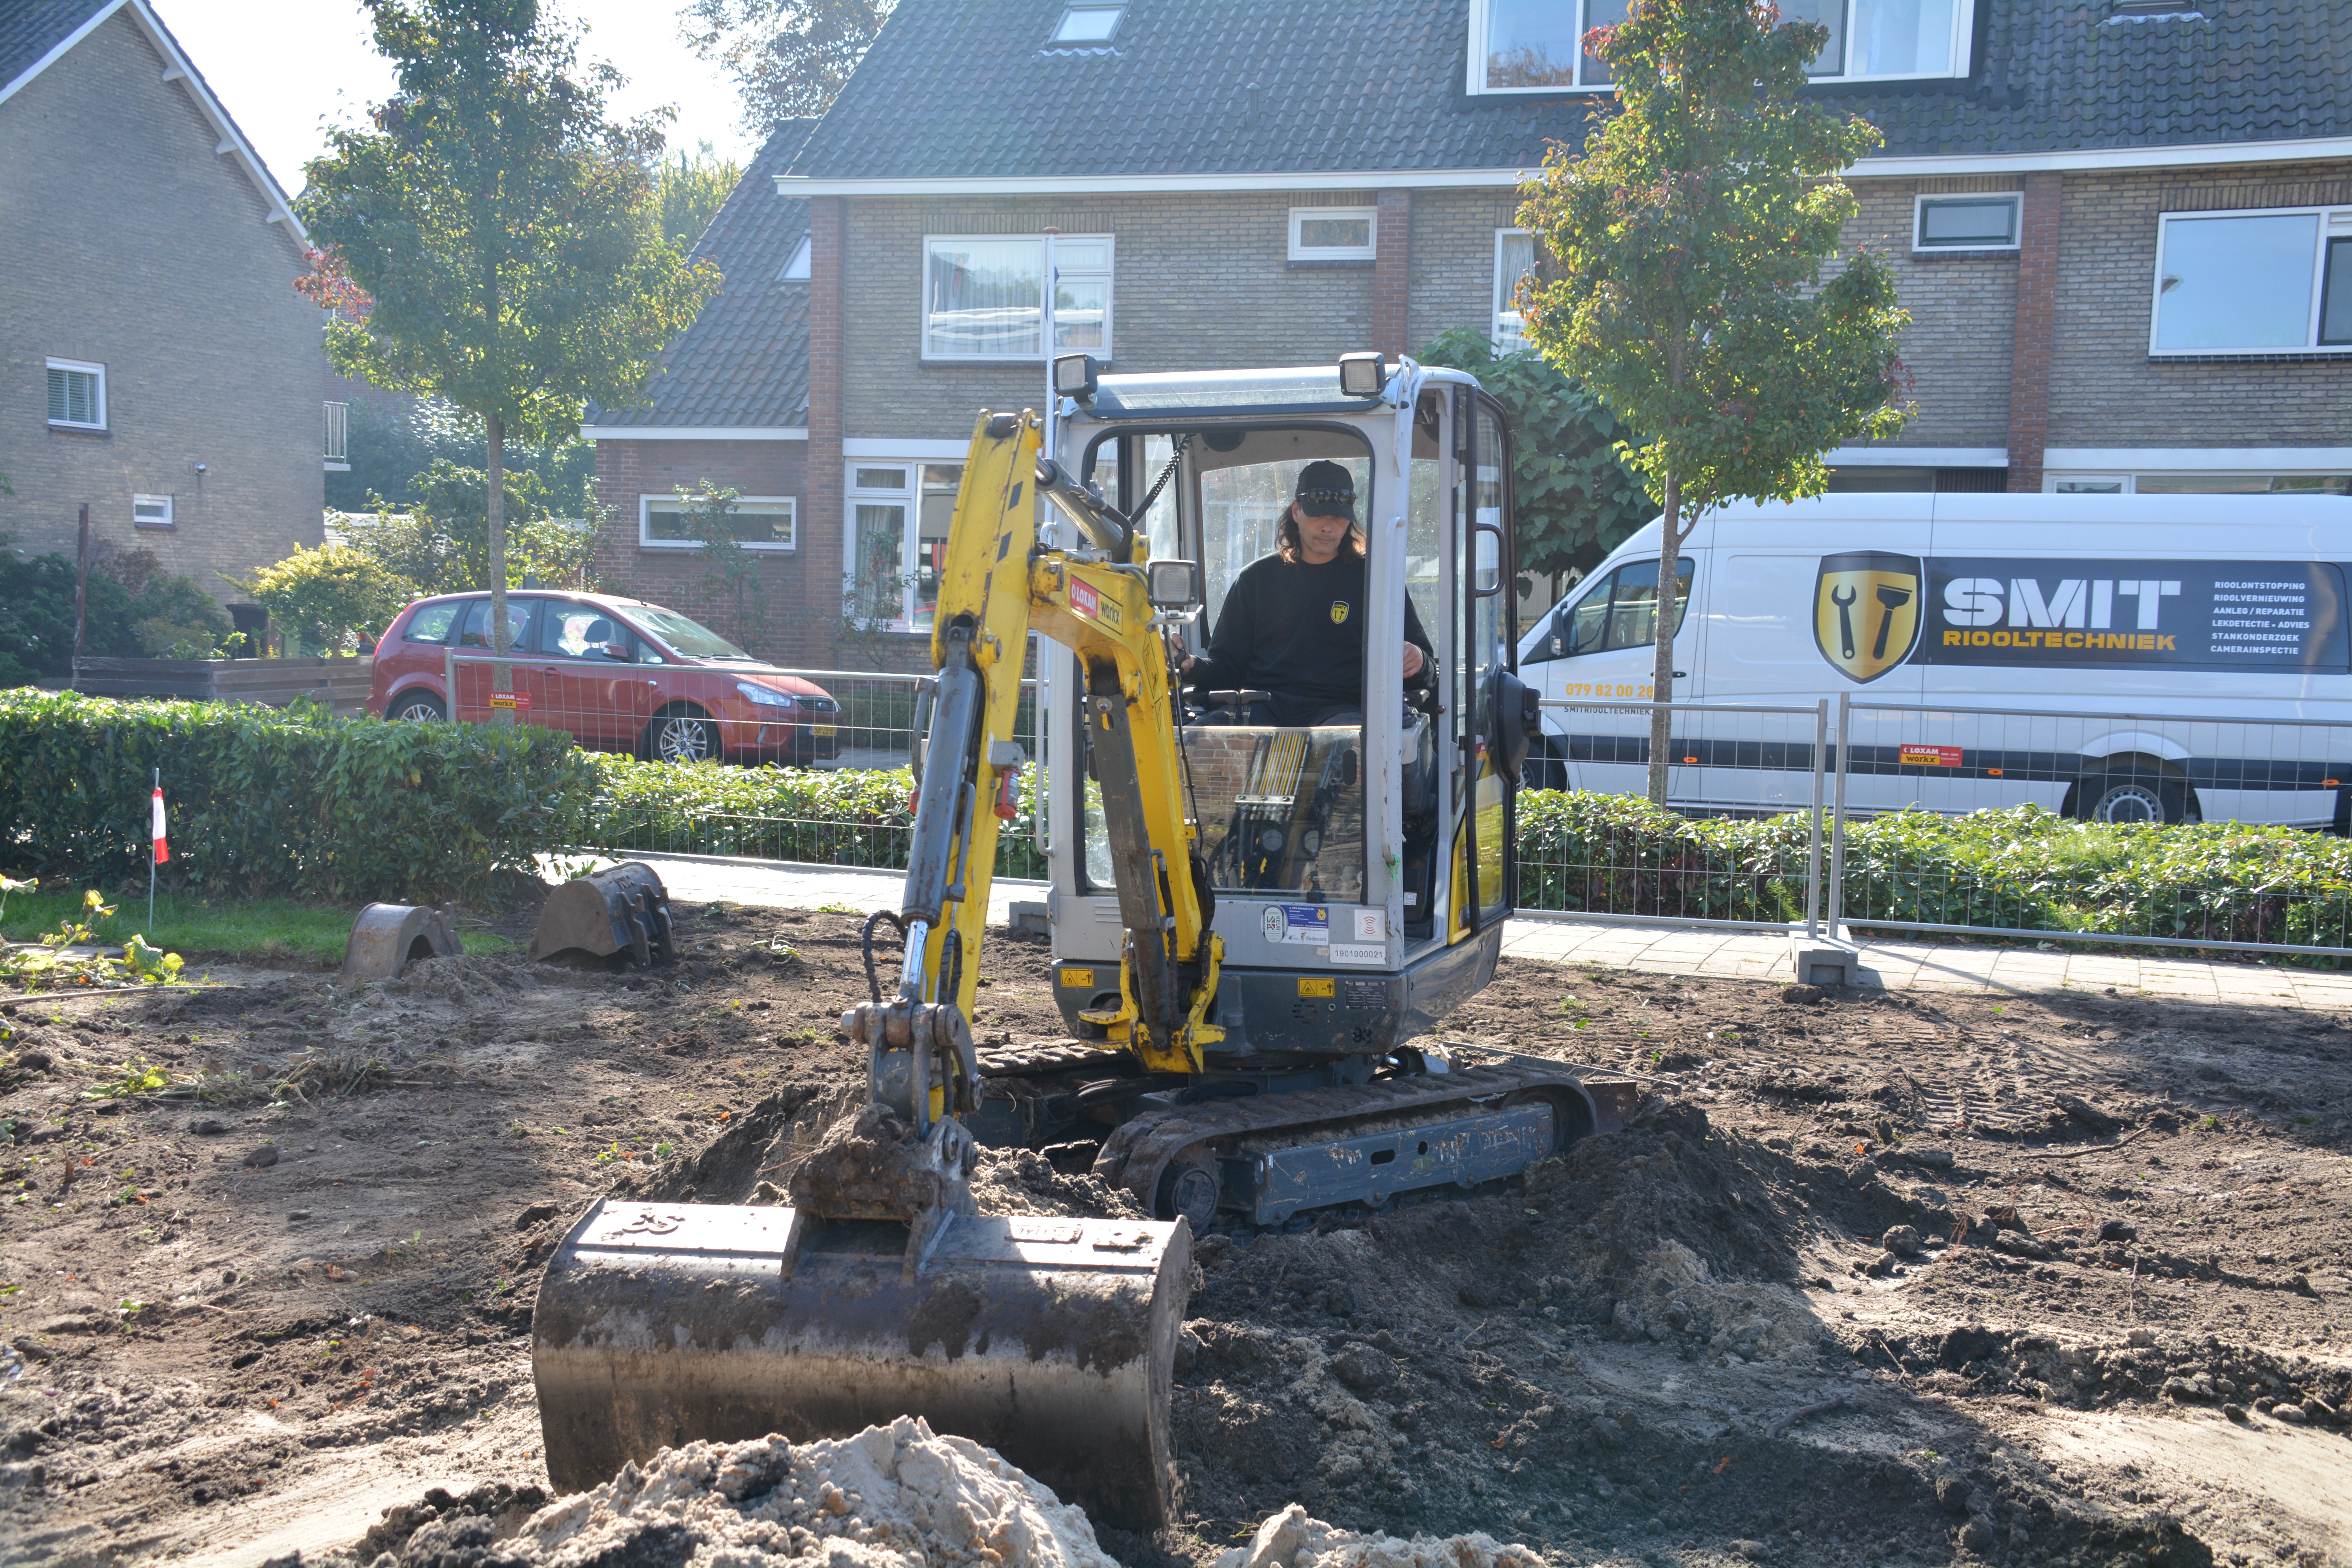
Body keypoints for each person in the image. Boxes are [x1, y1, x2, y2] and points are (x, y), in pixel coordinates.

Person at [1176, 461, 1433, 727]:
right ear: (1297, 512)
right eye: (1318, 516)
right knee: (1195, 744)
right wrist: (1189, 665)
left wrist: (1418, 660)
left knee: (1350, 748)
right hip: (1264, 708)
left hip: (1344, 711)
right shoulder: (1256, 580)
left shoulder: (1376, 580)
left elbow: (1426, 672)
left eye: (1337, 518)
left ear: (1350, 519)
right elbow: (1226, 668)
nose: (1328, 527)